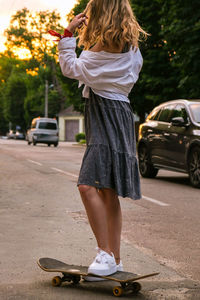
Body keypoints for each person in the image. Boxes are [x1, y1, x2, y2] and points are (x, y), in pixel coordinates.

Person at [50, 0, 147, 280]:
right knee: (108, 191)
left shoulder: (97, 52)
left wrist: (67, 34)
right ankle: (114, 258)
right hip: (122, 113)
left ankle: (104, 253)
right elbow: (127, 78)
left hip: (103, 114)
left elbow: (70, 68)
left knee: (86, 185)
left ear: (100, 16)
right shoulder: (133, 50)